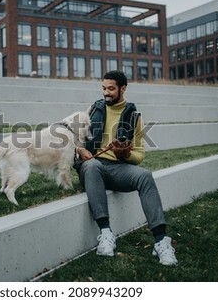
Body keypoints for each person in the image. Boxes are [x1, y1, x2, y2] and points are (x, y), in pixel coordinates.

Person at [75, 70, 178, 266]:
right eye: (104, 88)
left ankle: (160, 241)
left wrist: (125, 154)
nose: (106, 93)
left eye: (111, 89)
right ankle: (105, 234)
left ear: (123, 88)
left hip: (117, 169)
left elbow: (139, 156)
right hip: (92, 168)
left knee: (145, 176)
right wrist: (80, 150)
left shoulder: (134, 116)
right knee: (92, 165)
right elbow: (75, 140)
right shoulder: (92, 110)